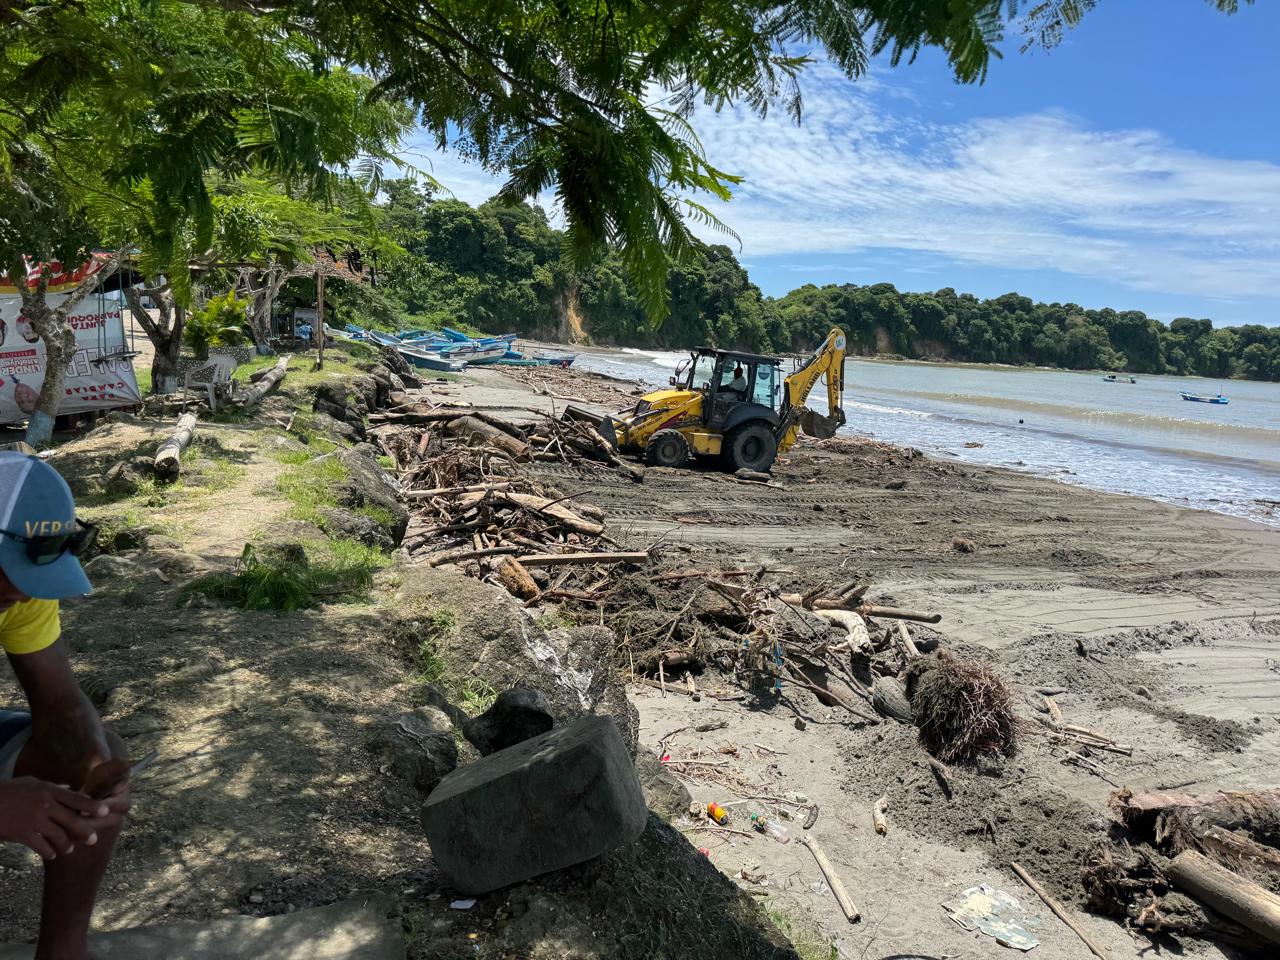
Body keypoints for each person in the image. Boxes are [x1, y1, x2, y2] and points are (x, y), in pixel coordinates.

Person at [0, 453, 129, 960]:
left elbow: (60, 703)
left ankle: (64, 952)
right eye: (7, 573)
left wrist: (95, 772)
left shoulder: (19, 588)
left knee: (89, 754)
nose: (21, 595)